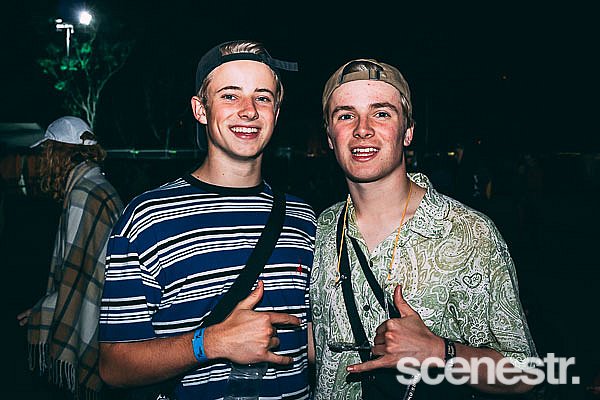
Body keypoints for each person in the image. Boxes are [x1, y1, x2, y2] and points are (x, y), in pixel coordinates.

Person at [98, 40, 316, 400]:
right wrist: (211, 342)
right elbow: (114, 366)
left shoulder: (302, 218)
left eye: (262, 98)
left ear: (276, 113)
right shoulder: (147, 219)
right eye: (230, 96)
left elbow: (311, 341)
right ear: (201, 109)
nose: (249, 111)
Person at [309, 59, 538, 399]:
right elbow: (320, 344)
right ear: (330, 136)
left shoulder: (469, 233)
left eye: (381, 113)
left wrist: (439, 351)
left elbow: (524, 373)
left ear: (408, 131)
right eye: (345, 116)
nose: (362, 129)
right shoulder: (319, 229)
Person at [16, 116, 124, 399]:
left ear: (59, 154)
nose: (43, 161)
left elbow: (78, 281)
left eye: (46, 152)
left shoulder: (83, 194)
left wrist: (42, 310)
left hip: (100, 317)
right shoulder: (95, 184)